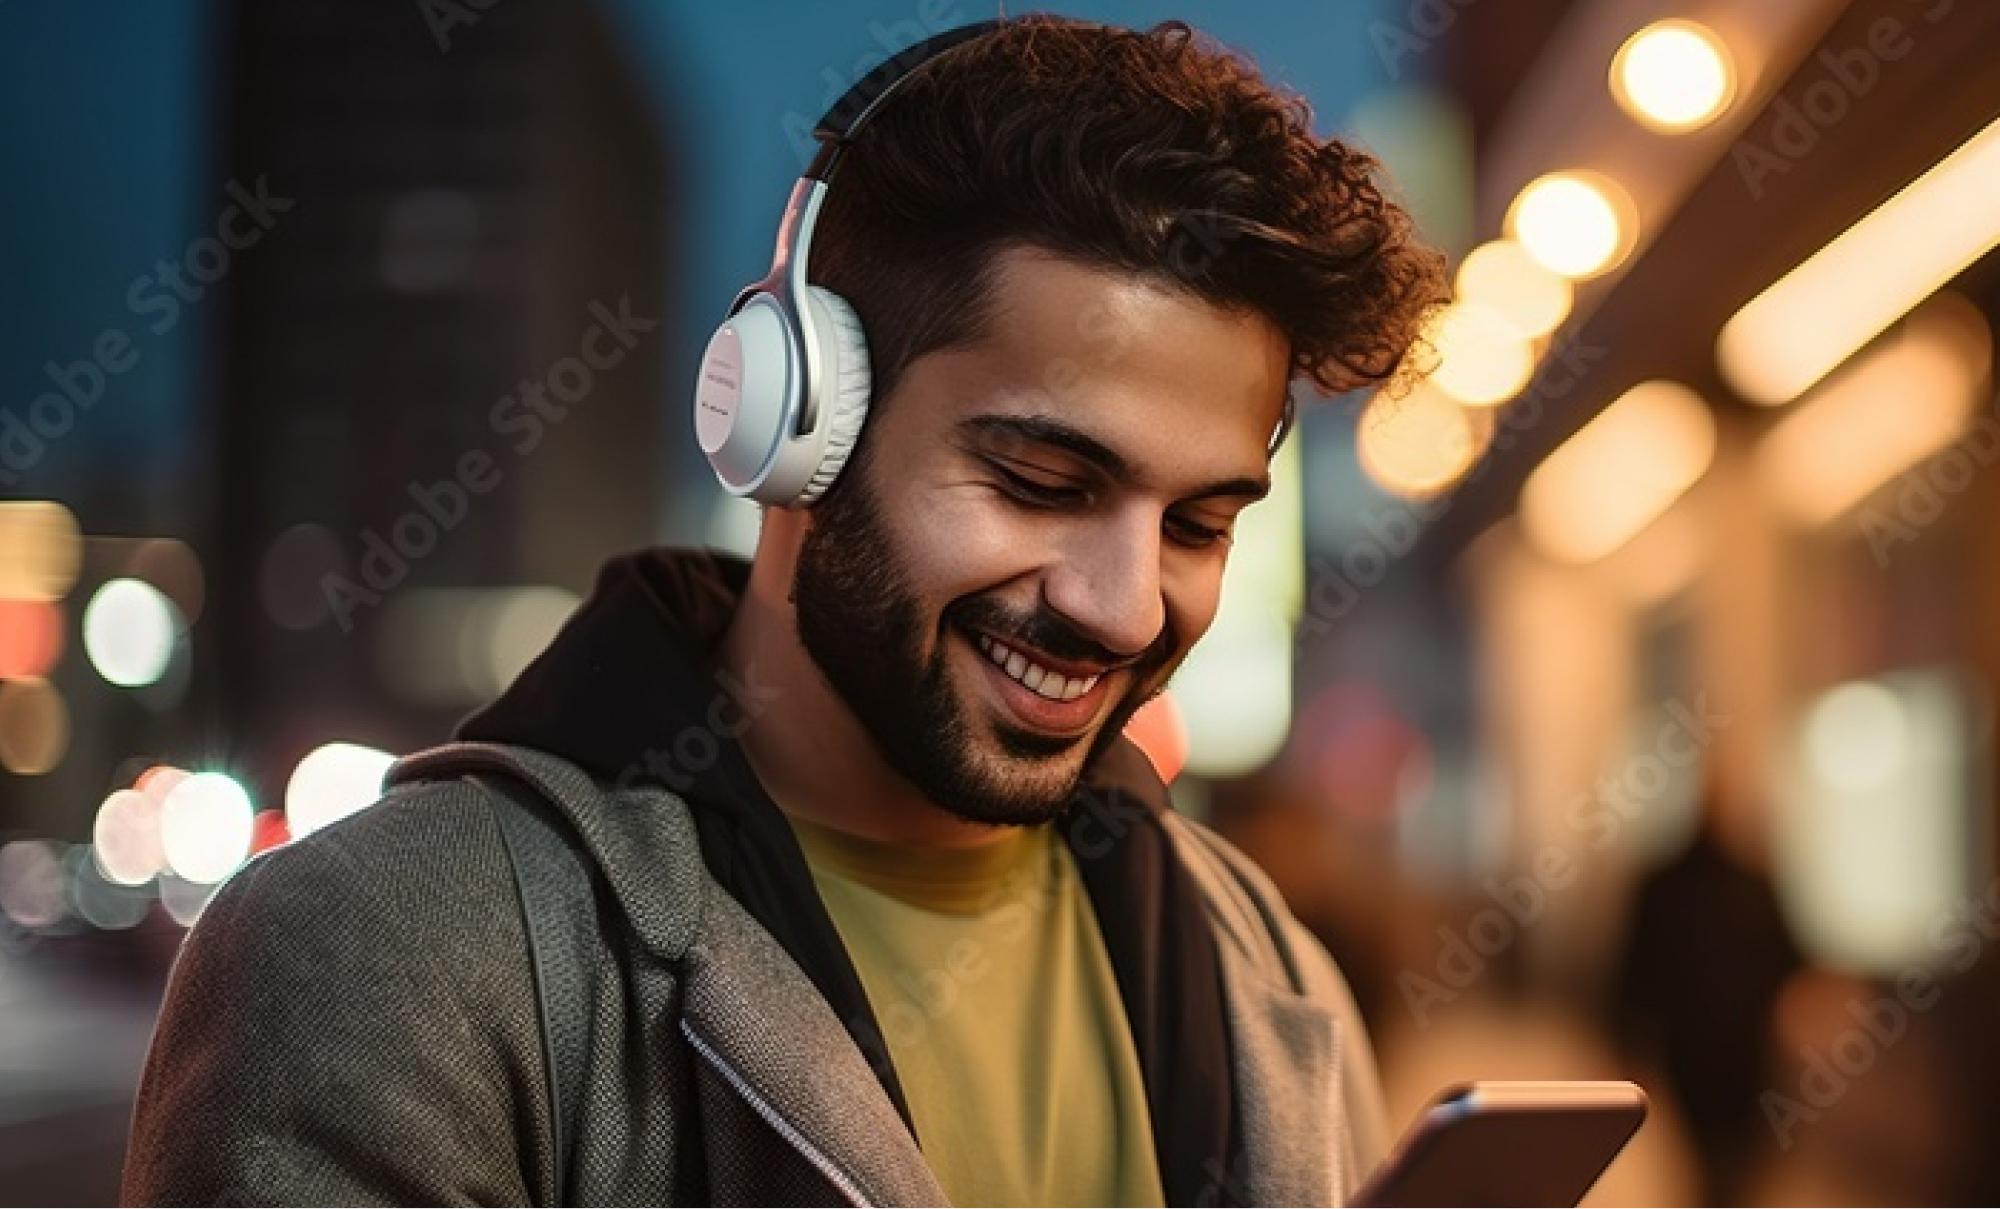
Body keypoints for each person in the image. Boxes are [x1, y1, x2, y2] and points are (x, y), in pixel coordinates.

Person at [123, 15, 1444, 1206]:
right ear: (794, 424)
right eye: (1041, 483)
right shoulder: (385, 956)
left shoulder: (1257, 958)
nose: (1124, 602)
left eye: (1201, 523)